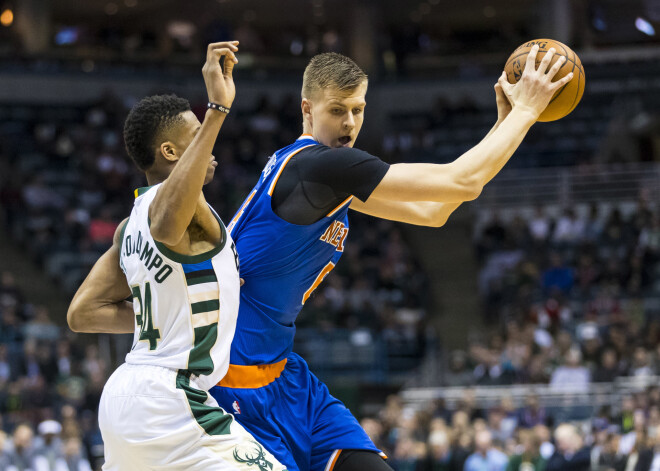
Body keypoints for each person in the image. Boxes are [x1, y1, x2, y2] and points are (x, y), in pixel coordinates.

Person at [209, 45, 574, 471]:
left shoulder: (324, 177)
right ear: (307, 109)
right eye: (337, 111)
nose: (349, 124)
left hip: (285, 375)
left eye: (358, 110)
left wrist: (503, 124)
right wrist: (525, 112)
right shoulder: (317, 169)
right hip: (234, 382)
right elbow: (463, 180)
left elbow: (434, 211)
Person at [66, 41, 286, 471]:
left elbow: (83, 312)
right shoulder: (168, 213)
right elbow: (166, 225)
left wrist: (169, 315)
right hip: (170, 399)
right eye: (196, 134)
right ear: (170, 153)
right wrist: (217, 111)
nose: (210, 143)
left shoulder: (127, 227)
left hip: (127, 396)